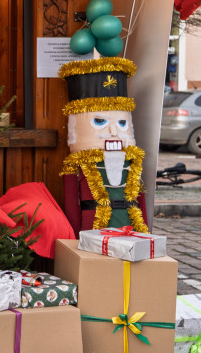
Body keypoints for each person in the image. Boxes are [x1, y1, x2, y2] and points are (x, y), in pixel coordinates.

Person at [58, 58, 148, 232]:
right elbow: (72, 206)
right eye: (99, 121)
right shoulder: (75, 166)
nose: (113, 131)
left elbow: (140, 200)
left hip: (131, 229)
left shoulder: (133, 161)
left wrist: (146, 230)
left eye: (122, 123)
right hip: (92, 230)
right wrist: (76, 236)